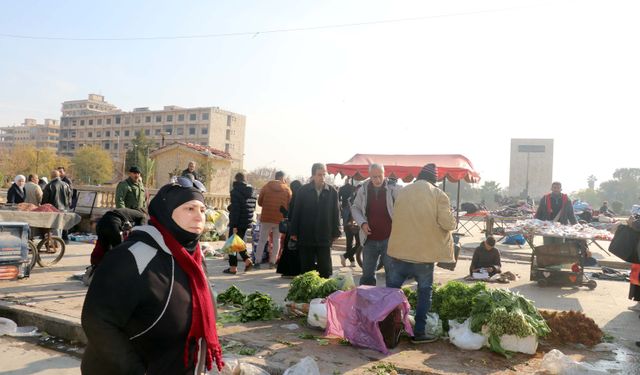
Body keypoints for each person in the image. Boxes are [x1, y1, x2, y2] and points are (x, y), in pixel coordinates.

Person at [81, 182, 224, 374]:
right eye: (189, 209)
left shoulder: (194, 257)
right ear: (166, 212)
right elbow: (98, 321)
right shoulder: (133, 257)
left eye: (202, 209)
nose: (199, 217)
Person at [386, 163, 457, 344]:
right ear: (434, 179)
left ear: (419, 176)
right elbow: (447, 224)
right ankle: (418, 333)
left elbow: (396, 216)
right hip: (423, 257)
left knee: (391, 293)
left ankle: (386, 331)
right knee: (424, 293)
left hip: (399, 253)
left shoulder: (403, 192)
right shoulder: (438, 195)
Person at [351, 163, 399, 285]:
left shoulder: (394, 189)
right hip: (369, 240)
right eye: (374, 177)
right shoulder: (363, 190)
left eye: (379, 176)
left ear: (384, 174)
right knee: (367, 275)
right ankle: (367, 301)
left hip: (389, 239)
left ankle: (392, 302)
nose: (377, 180)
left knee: (392, 275)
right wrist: (362, 223)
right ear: (369, 176)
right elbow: (355, 208)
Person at [290, 163, 340, 278]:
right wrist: (293, 231)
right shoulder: (303, 191)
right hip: (306, 234)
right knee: (307, 269)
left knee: (325, 269)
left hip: (324, 234)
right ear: (313, 176)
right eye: (319, 175)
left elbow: (336, 213)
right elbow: (296, 212)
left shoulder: (332, 192)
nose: (322, 177)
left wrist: (336, 231)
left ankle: (324, 294)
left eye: (324, 174)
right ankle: (308, 294)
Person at [255, 170, 292, 268]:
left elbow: (259, 202)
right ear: (282, 178)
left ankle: (257, 261)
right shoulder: (287, 189)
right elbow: (289, 204)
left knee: (262, 240)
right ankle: (272, 262)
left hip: (266, 217)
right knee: (277, 240)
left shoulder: (266, 187)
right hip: (279, 219)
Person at [223, 172, 256, 274]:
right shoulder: (251, 191)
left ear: (236, 179)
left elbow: (237, 209)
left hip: (237, 221)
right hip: (246, 221)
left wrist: (234, 225)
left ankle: (233, 267)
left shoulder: (235, 191)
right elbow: (249, 206)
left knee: (232, 244)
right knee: (238, 243)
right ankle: (247, 261)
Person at [276, 180, 303, 278]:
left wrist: (284, 212)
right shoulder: (302, 198)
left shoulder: (294, 198)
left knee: (289, 249)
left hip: (292, 228)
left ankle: (288, 271)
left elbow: (292, 214)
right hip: (299, 228)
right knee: (295, 250)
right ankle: (294, 271)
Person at [341, 184, 361, 268]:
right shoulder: (353, 199)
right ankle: (351, 260)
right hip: (351, 224)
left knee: (356, 244)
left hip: (351, 224)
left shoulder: (352, 198)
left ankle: (346, 257)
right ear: (355, 190)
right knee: (353, 244)